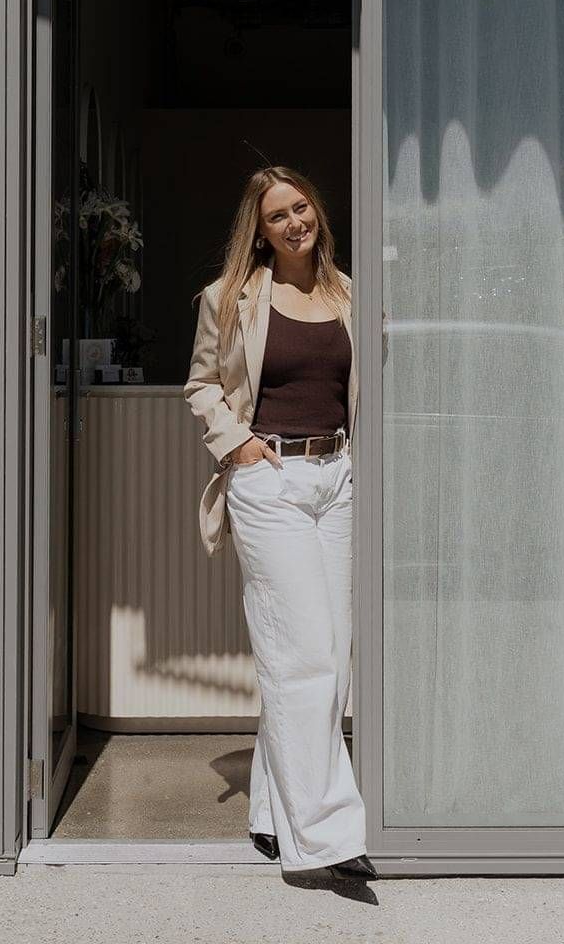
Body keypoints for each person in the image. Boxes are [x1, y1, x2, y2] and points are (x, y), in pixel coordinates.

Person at [185, 164, 376, 881]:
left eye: (300, 208)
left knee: (330, 655)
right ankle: (325, 838)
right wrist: (238, 445)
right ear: (260, 232)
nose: (294, 222)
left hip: (338, 477)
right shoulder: (229, 298)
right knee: (302, 655)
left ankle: (270, 810)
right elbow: (203, 383)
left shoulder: (351, 294)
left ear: (316, 211)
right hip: (270, 481)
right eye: (277, 216)